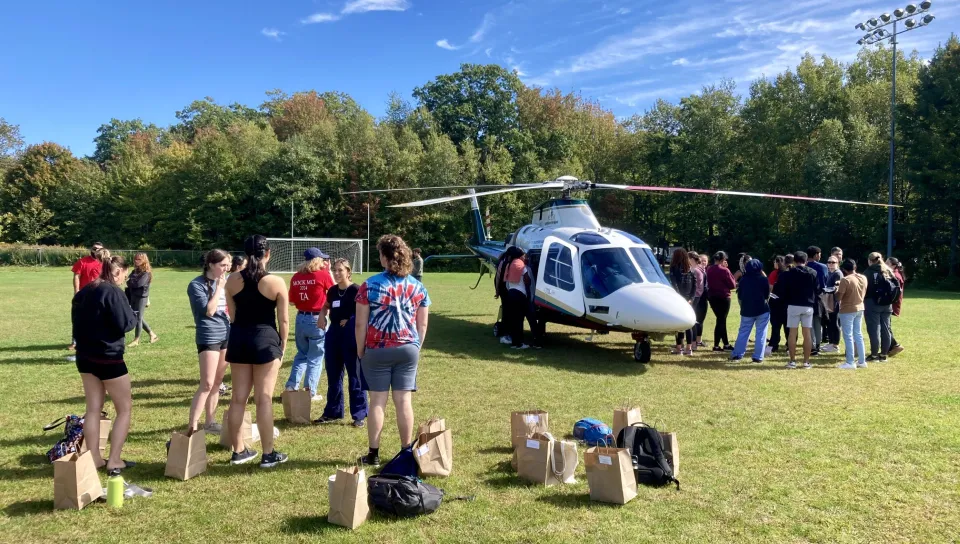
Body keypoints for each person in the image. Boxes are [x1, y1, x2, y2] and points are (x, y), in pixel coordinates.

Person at [355, 235, 430, 467]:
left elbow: (361, 324)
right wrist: (416, 346)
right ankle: (406, 451)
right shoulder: (418, 286)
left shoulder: (370, 284)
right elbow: (422, 324)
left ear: (385, 257)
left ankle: (373, 453)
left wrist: (360, 350)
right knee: (403, 401)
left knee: (377, 401)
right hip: (408, 348)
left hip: (377, 349)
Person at [225, 235, 290, 468]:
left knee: (238, 399)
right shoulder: (275, 282)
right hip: (265, 340)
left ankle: (238, 451)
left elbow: (232, 316)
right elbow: (283, 320)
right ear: (268, 254)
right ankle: (268, 453)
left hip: (239, 338)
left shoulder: (231, 280)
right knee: (264, 399)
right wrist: (283, 346)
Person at [72, 253, 136, 473]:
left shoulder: (85, 291)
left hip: (85, 357)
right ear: (117, 272)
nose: (123, 280)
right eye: (124, 276)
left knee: (93, 409)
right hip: (108, 358)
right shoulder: (113, 292)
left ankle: (96, 458)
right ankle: (115, 460)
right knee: (124, 408)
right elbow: (125, 324)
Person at [315, 258, 368, 427]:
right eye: (335, 270)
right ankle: (333, 412)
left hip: (351, 335)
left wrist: (351, 319)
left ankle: (359, 415)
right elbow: (326, 305)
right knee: (333, 374)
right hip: (334, 335)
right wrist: (322, 315)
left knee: (355, 376)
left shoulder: (356, 290)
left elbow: (364, 312)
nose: (337, 274)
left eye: (340, 270)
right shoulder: (331, 290)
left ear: (348, 272)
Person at [186, 249, 232, 434]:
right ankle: (193, 426)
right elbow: (209, 310)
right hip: (209, 335)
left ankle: (210, 422)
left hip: (226, 334)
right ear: (211, 265)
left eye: (228, 265)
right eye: (223, 265)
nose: (226, 269)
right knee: (206, 383)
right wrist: (220, 287)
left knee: (218, 382)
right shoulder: (196, 285)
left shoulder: (227, 281)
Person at [284, 248, 335, 401]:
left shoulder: (296, 277)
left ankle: (291, 386)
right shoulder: (323, 275)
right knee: (315, 357)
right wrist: (329, 272)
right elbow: (334, 292)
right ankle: (309, 391)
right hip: (317, 318)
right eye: (322, 259)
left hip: (301, 319)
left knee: (302, 354)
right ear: (317, 260)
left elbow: (292, 301)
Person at [779, 251, 818, 369]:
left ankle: (792, 361)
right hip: (808, 305)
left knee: (792, 333)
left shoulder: (787, 274)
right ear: (806, 261)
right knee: (807, 334)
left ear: (794, 261)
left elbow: (782, 290)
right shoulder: (813, 272)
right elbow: (817, 289)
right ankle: (806, 362)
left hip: (793, 305)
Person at [69, 242, 106, 350]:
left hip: (98, 295)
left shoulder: (105, 263)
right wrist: (77, 291)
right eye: (95, 248)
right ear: (91, 249)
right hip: (84, 295)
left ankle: (95, 340)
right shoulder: (83, 261)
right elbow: (76, 276)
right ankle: (75, 341)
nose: (96, 250)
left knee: (97, 319)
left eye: (99, 249)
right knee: (78, 318)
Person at [732, 259, 770, 363]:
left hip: (747, 309)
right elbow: (767, 295)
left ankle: (737, 354)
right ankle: (758, 356)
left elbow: (740, 295)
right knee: (761, 333)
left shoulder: (743, 280)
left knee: (743, 332)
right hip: (762, 309)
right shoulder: (763, 279)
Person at [836, 259, 868, 369]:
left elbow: (839, 297)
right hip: (860, 307)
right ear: (855, 267)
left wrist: (837, 289)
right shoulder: (863, 277)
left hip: (848, 309)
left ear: (844, 269)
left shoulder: (845, 280)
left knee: (848, 336)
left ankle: (850, 362)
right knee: (858, 334)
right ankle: (862, 361)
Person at [864, 252, 895, 362]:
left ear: (869, 260)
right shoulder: (888, 270)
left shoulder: (869, 272)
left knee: (874, 329)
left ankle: (874, 355)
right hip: (887, 303)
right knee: (886, 329)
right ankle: (883, 355)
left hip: (872, 303)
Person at [504, 248, 534, 350]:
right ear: (519, 256)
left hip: (511, 293)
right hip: (520, 294)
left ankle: (515, 343)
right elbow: (527, 280)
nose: (524, 257)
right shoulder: (521, 265)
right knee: (520, 320)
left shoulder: (510, 264)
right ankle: (520, 344)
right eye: (523, 255)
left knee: (514, 320)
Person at [125, 252, 158, 347]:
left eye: (139, 259)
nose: (136, 261)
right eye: (135, 259)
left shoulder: (146, 273)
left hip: (141, 297)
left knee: (138, 318)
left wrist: (131, 282)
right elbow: (129, 282)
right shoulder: (135, 271)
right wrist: (131, 282)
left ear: (144, 260)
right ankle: (153, 335)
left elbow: (138, 284)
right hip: (133, 296)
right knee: (137, 316)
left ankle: (136, 340)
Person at [706, 251, 736, 351]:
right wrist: (727, 269)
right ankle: (716, 345)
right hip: (723, 297)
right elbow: (733, 285)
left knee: (721, 320)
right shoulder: (724, 270)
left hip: (712, 297)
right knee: (721, 320)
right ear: (723, 260)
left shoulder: (709, 269)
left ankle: (726, 344)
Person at [669, 248, 696, 355]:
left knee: (678, 323)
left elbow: (674, 284)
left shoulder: (674, 268)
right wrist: (691, 299)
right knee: (688, 323)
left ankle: (679, 348)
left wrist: (678, 297)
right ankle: (689, 348)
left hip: (678, 299)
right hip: (689, 299)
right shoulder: (691, 269)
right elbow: (695, 286)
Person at [805, 246, 828, 355]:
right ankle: (817, 344)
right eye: (819, 254)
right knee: (817, 322)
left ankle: (812, 345)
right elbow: (824, 283)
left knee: (808, 323)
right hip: (819, 297)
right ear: (815, 255)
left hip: (805, 298)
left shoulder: (804, 267)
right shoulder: (823, 267)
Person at [819, 255, 843, 353]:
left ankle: (835, 344)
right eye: (829, 262)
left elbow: (838, 287)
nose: (830, 264)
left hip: (835, 301)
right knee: (829, 322)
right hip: (827, 299)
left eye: (833, 262)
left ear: (837, 263)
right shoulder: (829, 273)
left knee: (834, 322)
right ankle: (830, 342)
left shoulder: (838, 273)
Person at [766, 255, 789, 355]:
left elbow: (770, 288)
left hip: (775, 303)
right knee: (788, 326)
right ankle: (789, 345)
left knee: (775, 326)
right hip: (787, 303)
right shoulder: (788, 273)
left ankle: (774, 345)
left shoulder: (774, 273)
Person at [887, 257, 906, 357]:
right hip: (892, 303)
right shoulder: (896, 274)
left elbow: (895, 292)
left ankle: (895, 345)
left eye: (887, 263)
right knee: (886, 326)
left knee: (886, 326)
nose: (885, 264)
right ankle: (890, 347)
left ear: (893, 265)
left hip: (891, 304)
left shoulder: (895, 275)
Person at [688, 251, 706, 351]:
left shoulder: (695, 270)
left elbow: (697, 287)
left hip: (694, 297)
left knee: (692, 320)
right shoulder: (699, 269)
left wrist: (692, 297)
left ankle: (693, 343)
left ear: (691, 259)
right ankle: (693, 342)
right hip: (697, 296)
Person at [696, 253, 709, 348]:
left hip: (703, 298)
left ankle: (698, 340)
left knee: (701, 320)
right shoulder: (698, 271)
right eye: (702, 260)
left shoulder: (704, 271)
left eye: (705, 260)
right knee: (698, 320)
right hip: (699, 298)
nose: (704, 262)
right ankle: (696, 341)